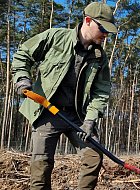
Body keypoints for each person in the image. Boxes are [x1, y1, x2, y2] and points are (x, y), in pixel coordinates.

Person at [11, 2, 117, 189]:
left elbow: (101, 91)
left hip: (78, 116)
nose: (106, 34)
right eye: (103, 29)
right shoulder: (55, 37)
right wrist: (21, 78)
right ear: (87, 21)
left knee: (93, 157)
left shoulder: (100, 56)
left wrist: (90, 120)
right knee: (41, 166)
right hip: (46, 111)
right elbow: (23, 54)